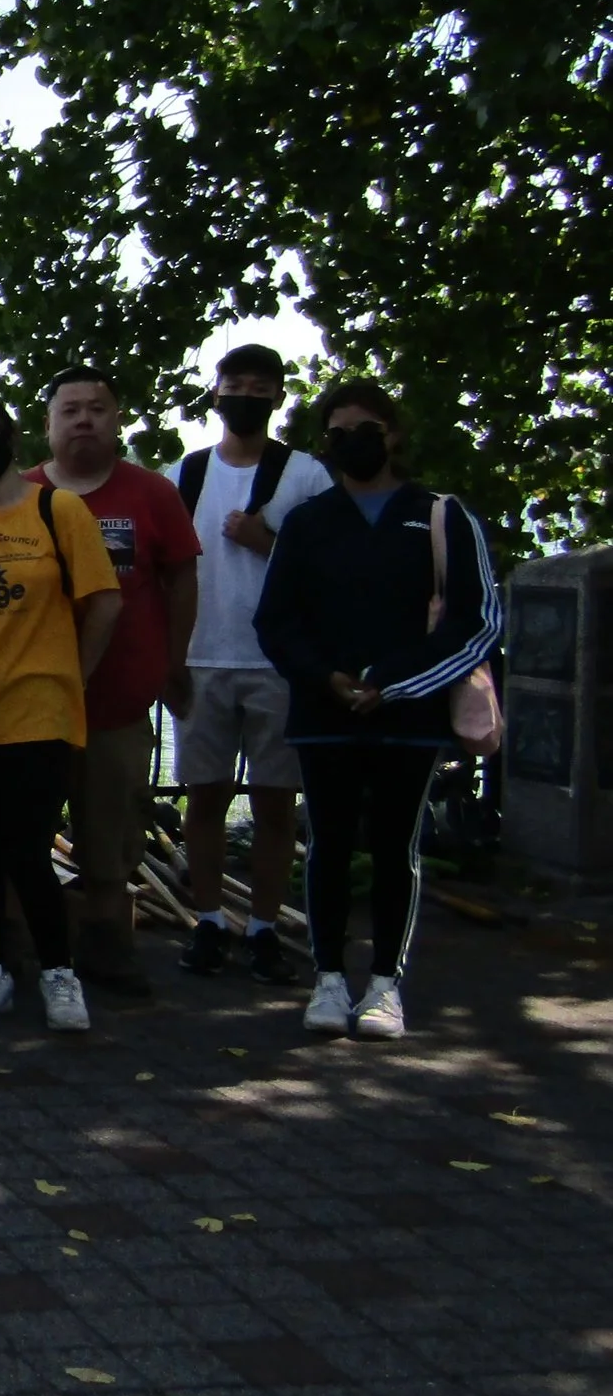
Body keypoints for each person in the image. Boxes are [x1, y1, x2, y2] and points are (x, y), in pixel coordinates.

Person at [255, 380, 500, 1041]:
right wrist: (326, 678)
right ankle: (329, 979)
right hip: (324, 715)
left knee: (396, 849)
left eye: (365, 429)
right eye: (337, 433)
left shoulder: (441, 515)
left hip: (409, 719)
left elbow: (477, 620)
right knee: (329, 846)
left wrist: (393, 683)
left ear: (393, 434)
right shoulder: (307, 522)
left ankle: (386, 984)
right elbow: (276, 621)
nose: (352, 442)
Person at [0, 394, 121, 1033]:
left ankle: (59, 972)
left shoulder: (59, 510)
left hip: (40, 711)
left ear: (9, 437)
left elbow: (105, 602)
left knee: (30, 848)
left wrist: (72, 676)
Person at [28, 366, 203, 998]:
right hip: (33, 705)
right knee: (23, 834)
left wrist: (173, 663)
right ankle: (21, 953)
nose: (83, 420)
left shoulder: (152, 494)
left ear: (117, 418)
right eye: (69, 409)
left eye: (96, 408)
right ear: (48, 423)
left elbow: (182, 582)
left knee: (112, 835)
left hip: (120, 701)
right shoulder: (20, 494)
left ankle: (108, 946)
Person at [169, 345, 331, 982]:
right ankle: (209, 920)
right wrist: (167, 657)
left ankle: (263, 928)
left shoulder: (306, 475)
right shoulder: (187, 473)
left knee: (274, 806)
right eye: (234, 384)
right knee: (203, 799)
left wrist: (268, 542)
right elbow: (163, 570)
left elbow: (331, 565)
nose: (245, 397)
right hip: (200, 658)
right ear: (215, 393)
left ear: (277, 398)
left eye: (260, 388)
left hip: (277, 665)